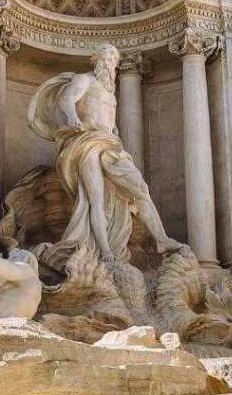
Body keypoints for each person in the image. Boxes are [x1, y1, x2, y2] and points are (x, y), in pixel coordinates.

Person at [28, 43, 185, 263]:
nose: (109, 63)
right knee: (96, 198)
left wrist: (115, 131)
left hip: (111, 145)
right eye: (105, 59)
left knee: (140, 189)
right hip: (87, 142)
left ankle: (161, 239)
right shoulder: (85, 80)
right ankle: (104, 251)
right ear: (96, 61)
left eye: (112, 60)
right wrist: (72, 115)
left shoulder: (111, 93)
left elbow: (109, 121)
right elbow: (67, 99)